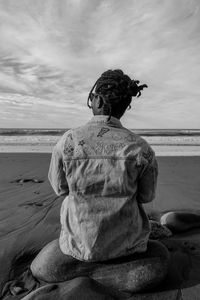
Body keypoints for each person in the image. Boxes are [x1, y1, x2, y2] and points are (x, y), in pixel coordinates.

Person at [30, 69, 169, 292]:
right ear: (124, 108)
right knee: (160, 254)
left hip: (77, 245)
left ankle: (80, 270)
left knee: (45, 265)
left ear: (97, 100)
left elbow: (60, 188)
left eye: (92, 96)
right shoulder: (141, 148)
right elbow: (146, 196)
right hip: (128, 245)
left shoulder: (69, 141)